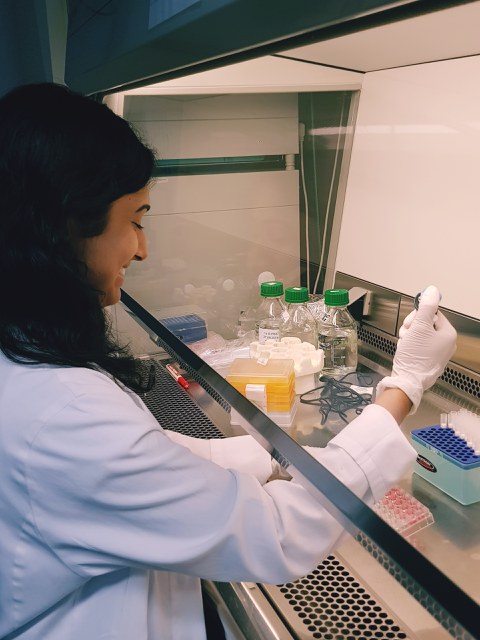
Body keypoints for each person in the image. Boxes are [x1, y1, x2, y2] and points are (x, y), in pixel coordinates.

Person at [0, 83, 457, 640]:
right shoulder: (63, 416)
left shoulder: (25, 357)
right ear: (67, 227)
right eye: (136, 219)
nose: (142, 250)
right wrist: (405, 386)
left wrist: (261, 454)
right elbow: (281, 534)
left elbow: (142, 455)